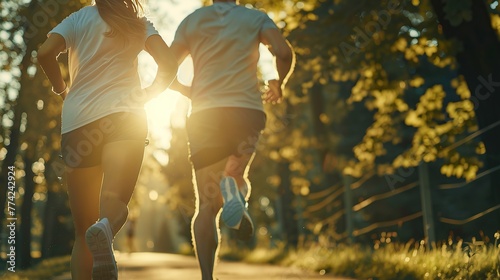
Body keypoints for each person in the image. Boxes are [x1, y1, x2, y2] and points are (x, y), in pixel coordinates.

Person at [37, 0, 177, 279]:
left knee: (82, 232)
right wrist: (147, 95)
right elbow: (169, 64)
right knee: (112, 207)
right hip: (126, 118)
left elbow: (44, 53)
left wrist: (61, 88)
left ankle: (99, 230)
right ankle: (106, 229)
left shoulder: (77, 19)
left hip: (79, 123)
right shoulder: (136, 22)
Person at [169, 1, 295, 279]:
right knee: (236, 172)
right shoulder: (255, 18)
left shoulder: (193, 21)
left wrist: (186, 90)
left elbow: (167, 67)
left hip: (205, 115)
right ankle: (236, 192)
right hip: (246, 112)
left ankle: (206, 277)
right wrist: (278, 83)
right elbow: (283, 52)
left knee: (206, 204)